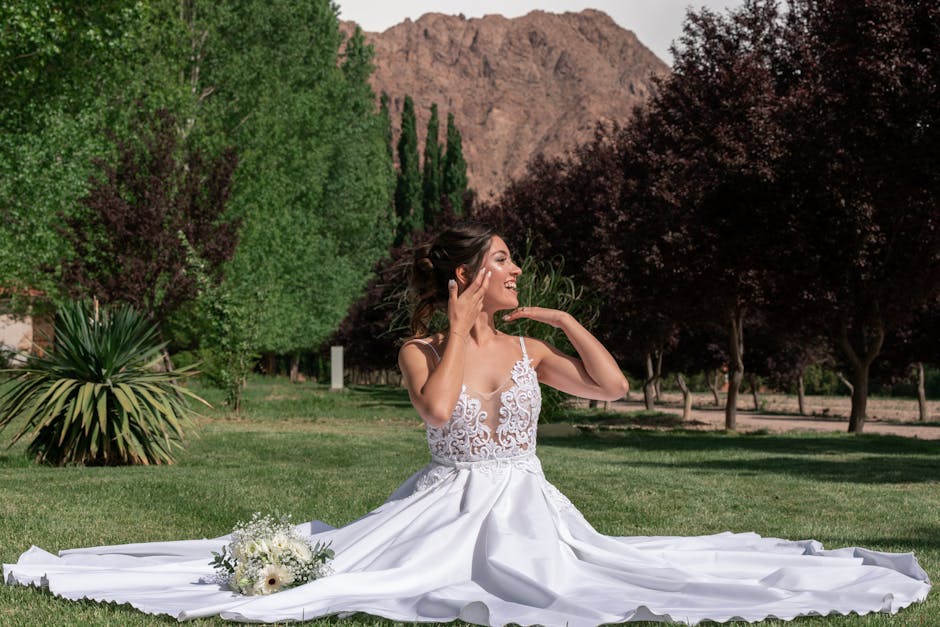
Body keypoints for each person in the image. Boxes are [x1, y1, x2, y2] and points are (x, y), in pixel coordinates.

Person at [3, 221, 931, 625]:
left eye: (513, 260)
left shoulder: (531, 351)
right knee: (353, 571)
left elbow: (609, 388)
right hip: (443, 508)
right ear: (465, 276)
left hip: (530, 505)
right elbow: (440, 410)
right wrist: (451, 328)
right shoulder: (419, 348)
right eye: (502, 260)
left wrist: (561, 320)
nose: (515, 268)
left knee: (603, 577)